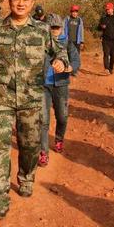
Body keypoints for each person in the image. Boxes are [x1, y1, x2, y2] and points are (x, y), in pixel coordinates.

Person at [0, 0, 69, 220]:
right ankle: (0, 197)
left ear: (32, 3)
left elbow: (60, 51)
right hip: (2, 98)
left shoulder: (41, 30)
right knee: (0, 149)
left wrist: (60, 62)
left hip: (31, 99)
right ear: (9, 1)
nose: (20, 3)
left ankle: (26, 177)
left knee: (30, 146)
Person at [39, 13, 80, 167]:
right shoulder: (41, 43)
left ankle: (59, 140)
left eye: (57, 27)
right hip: (43, 85)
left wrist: (70, 67)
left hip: (61, 85)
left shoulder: (67, 43)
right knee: (43, 120)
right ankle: (43, 152)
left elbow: (76, 61)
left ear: (62, 28)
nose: (54, 30)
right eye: (51, 27)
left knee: (62, 117)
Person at [63, 4, 84, 76]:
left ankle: (74, 71)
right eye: (73, 12)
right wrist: (63, 39)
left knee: (76, 56)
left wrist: (82, 41)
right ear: (71, 12)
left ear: (77, 12)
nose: (74, 13)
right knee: (68, 55)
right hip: (68, 41)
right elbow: (63, 29)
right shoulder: (67, 19)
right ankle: (68, 70)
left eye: (76, 12)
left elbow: (81, 31)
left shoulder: (79, 20)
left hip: (77, 41)